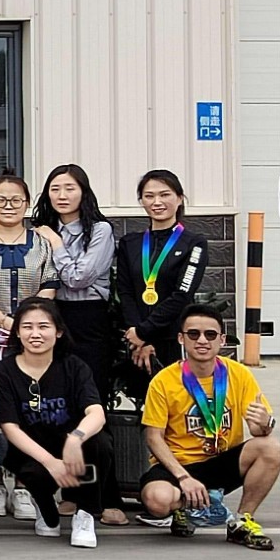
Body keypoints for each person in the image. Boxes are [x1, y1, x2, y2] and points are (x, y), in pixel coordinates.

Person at [139, 305, 278, 550]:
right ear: (181, 338)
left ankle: (243, 520)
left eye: (210, 334)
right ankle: (184, 508)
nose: (202, 340)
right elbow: (153, 437)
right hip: (179, 464)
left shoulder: (238, 374)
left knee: (271, 448)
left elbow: (258, 431)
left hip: (221, 460)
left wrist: (264, 424)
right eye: (193, 334)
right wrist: (183, 477)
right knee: (157, 499)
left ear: (222, 340)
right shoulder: (164, 381)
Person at [0, 298, 119, 549]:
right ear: (17, 332)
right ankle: (44, 504)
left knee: (100, 444)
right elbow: (10, 428)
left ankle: (85, 514)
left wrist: (75, 438)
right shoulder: (4, 372)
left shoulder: (74, 366)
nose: (35, 334)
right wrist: (50, 463)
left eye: (43, 326)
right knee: (32, 474)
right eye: (27, 327)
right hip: (31, 451)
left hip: (69, 447)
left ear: (58, 331)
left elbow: (96, 413)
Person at [117, 169, 211, 401]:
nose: (157, 202)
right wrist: (140, 338)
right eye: (149, 196)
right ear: (141, 201)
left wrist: (144, 332)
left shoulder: (194, 243)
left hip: (173, 339)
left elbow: (182, 294)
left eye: (164, 194)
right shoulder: (130, 243)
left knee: (178, 402)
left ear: (179, 198)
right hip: (138, 343)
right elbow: (125, 292)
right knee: (144, 404)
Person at [31, 164, 118, 407]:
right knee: (56, 388)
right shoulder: (40, 230)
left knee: (91, 389)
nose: (62, 195)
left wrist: (56, 243)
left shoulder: (100, 230)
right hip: (54, 313)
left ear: (83, 192)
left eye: (70, 188)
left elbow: (78, 279)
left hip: (89, 317)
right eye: (55, 189)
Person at [0, 172, 60, 368]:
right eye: (1, 200)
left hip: (33, 334)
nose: (8, 206)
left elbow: (50, 284)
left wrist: (26, 320)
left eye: (16, 200)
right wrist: (3, 321)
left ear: (27, 203)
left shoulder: (42, 242)